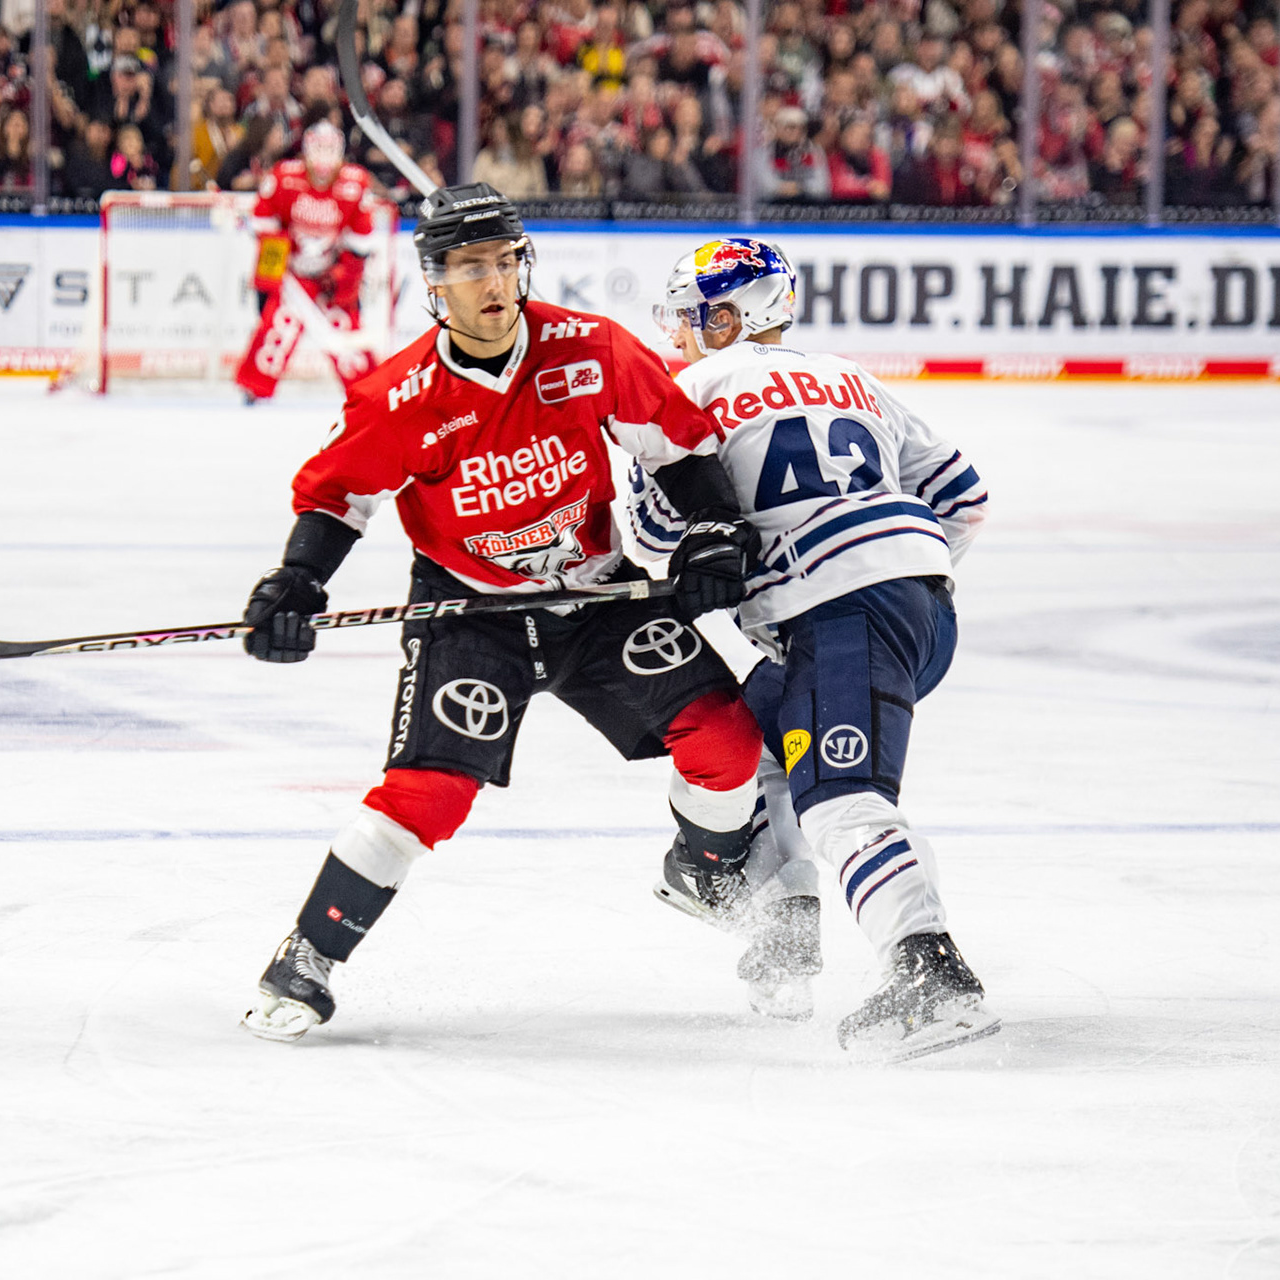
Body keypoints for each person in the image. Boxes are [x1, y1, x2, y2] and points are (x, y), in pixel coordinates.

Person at [237, 184, 765, 1044]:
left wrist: (711, 534)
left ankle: (705, 869)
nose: (495, 282)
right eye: (471, 266)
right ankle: (306, 958)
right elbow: (338, 497)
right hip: (468, 613)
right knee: (429, 792)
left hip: (595, 597)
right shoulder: (398, 397)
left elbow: (679, 444)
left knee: (728, 738)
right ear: (434, 284)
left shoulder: (589, 350)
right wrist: (298, 582)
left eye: (506, 260)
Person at [633, 237, 999, 1061]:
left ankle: (930, 971)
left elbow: (655, 528)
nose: (682, 336)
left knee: (840, 798)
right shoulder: (851, 376)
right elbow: (965, 501)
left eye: (694, 318)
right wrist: (900, 571)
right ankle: (788, 924)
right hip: (908, 605)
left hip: (837, 613)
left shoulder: (691, 387)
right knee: (767, 738)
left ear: (731, 319)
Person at [232, 121, 384, 404]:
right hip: (293, 271)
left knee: (343, 327)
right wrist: (272, 274)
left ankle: (368, 392)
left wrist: (345, 276)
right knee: (280, 322)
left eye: (331, 152)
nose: (324, 165)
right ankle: (254, 386)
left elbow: (361, 239)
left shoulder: (355, 183)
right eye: (318, 151)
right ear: (306, 153)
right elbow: (264, 222)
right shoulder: (284, 176)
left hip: (330, 272)